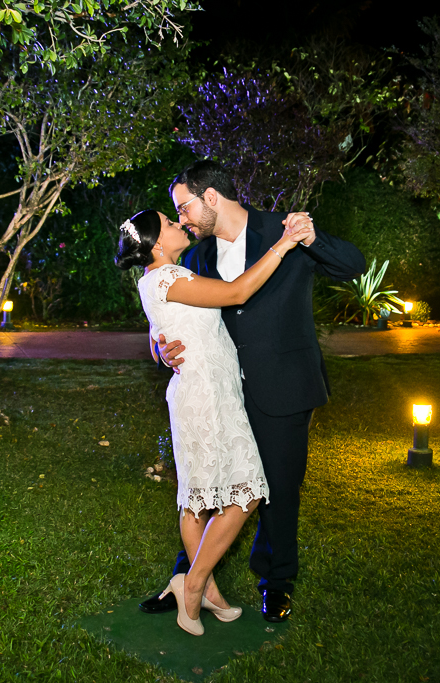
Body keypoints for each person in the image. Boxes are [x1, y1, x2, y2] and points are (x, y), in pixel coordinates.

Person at [141, 160, 366, 623]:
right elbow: (172, 306)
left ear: (210, 198)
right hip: (220, 392)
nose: (181, 219)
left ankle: (276, 581)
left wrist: (312, 238)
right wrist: (159, 345)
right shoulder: (197, 257)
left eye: (183, 208)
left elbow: (353, 266)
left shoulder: (283, 230)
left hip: (284, 385)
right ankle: (189, 577)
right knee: (210, 483)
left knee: (279, 491)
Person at [115, 208, 312, 635]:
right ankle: (194, 582)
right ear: (156, 245)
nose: (178, 225)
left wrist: (159, 350)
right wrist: (283, 244)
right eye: (169, 223)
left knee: (197, 497)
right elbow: (238, 293)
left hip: (205, 391)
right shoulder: (169, 279)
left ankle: (208, 592)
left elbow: (159, 334)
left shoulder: (158, 280)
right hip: (206, 396)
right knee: (247, 493)